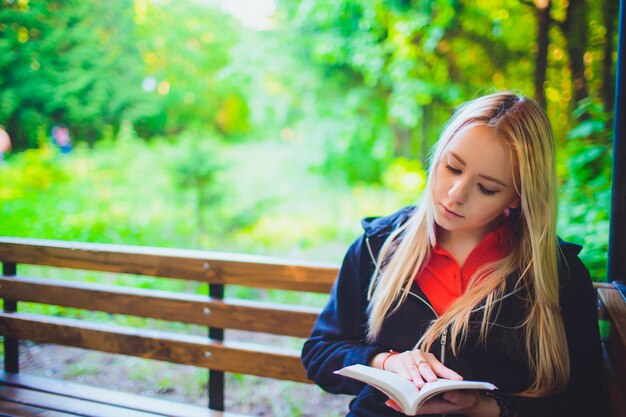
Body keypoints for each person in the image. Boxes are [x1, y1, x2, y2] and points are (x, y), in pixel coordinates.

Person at [301, 91, 610, 417]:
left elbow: (587, 402)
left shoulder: (558, 274)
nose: (456, 194)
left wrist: (490, 409)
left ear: (517, 196)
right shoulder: (377, 245)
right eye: (452, 167)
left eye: (486, 188)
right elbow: (321, 353)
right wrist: (385, 361)